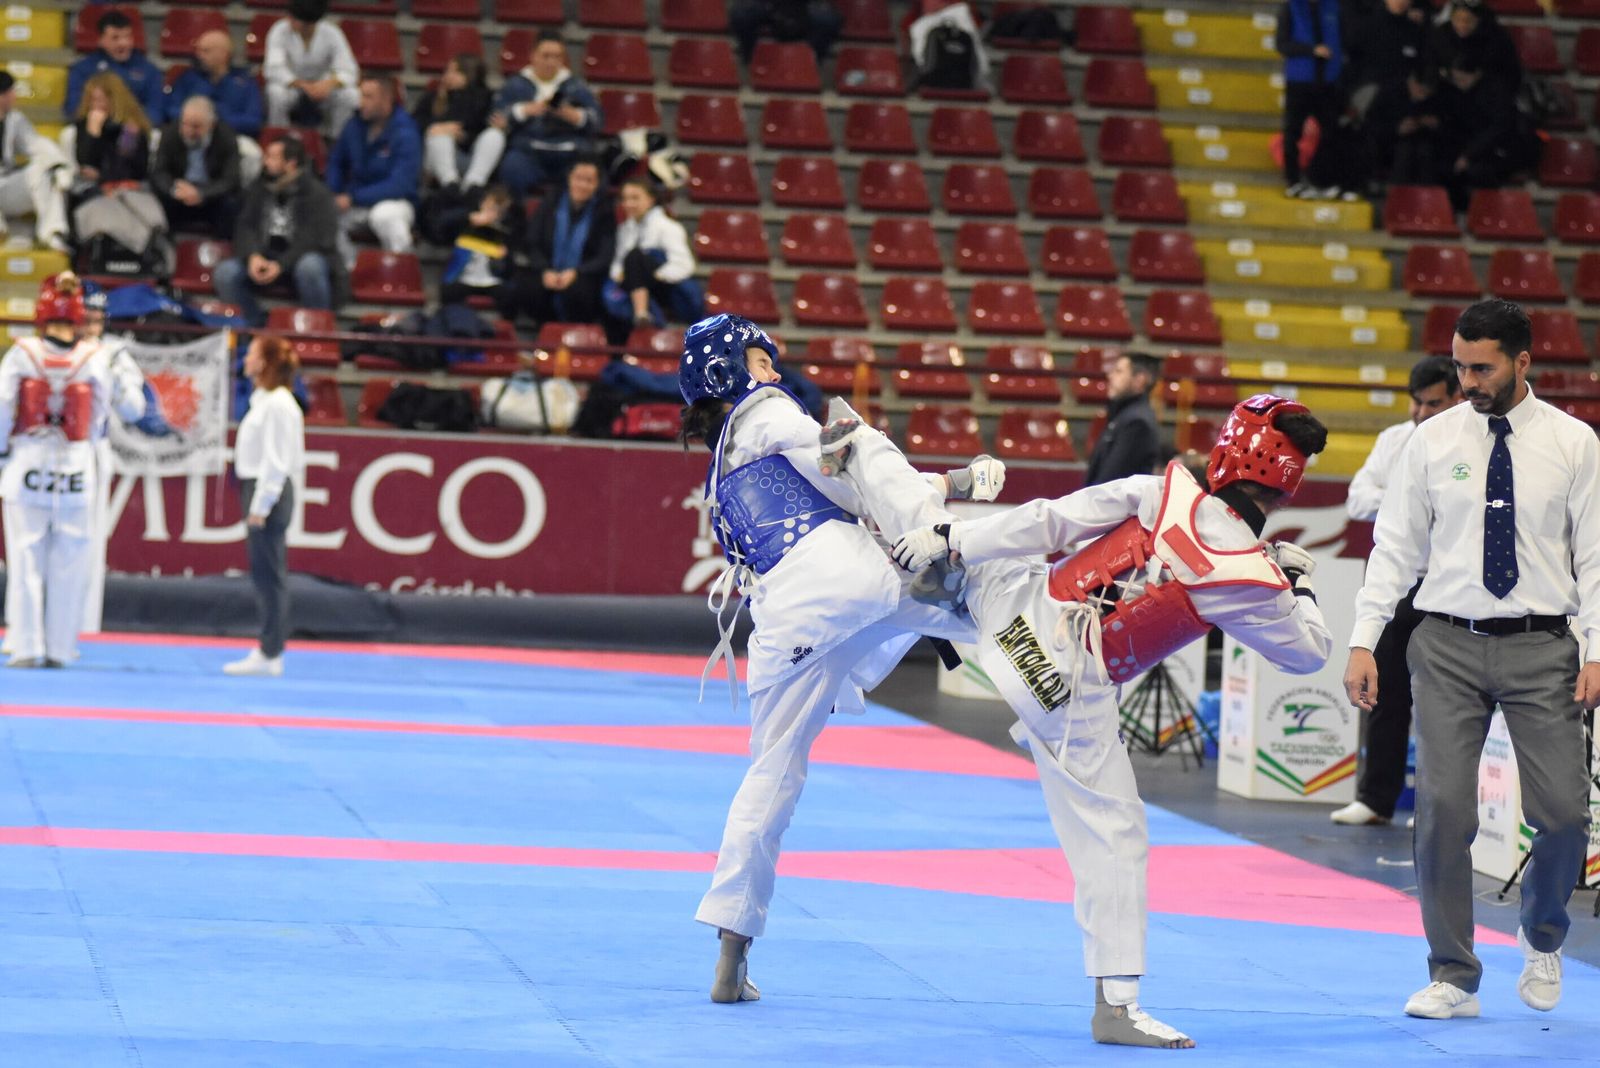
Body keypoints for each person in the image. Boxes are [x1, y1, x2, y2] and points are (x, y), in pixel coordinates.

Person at [883, 394, 1333, 1047]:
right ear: (1286, 489)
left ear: (1227, 451)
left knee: (939, 544)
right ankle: (1116, 1007)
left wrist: (952, 537)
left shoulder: (1160, 492)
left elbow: (1050, 520)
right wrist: (1300, 585)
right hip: (1066, 687)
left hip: (1015, 615)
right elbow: (1309, 653)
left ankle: (912, 524)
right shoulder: (1249, 577)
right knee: (1115, 835)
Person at [678, 314, 1003, 1010]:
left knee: (772, 775)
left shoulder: (724, 463)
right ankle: (1066, 609)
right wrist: (949, 491)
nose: (773, 371)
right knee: (995, 591)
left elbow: (835, 481)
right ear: (731, 370)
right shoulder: (767, 412)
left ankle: (732, 954)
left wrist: (946, 484)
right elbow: (847, 464)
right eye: (761, 359)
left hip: (783, 625)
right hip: (848, 574)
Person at [1344, 299, 1600, 1022]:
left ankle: (1543, 933)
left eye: (1481, 367)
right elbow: (1393, 546)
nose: (1467, 380)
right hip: (1445, 642)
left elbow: (1596, 553)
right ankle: (1452, 972)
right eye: (1459, 364)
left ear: (1523, 362)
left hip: (1543, 646)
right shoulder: (1428, 443)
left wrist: (1598, 649)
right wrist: (1365, 638)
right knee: (1443, 811)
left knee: (1562, 814)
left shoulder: (1575, 443)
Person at [1331, 356, 1462, 827]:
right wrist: (1407, 499)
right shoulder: (1393, 441)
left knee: (1447, 701)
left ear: (1457, 397)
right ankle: (1376, 798)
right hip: (1399, 584)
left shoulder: (1473, 440)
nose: (1423, 412)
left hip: (1451, 587)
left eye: (1435, 402)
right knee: (1383, 692)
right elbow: (1357, 498)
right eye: (1418, 403)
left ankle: (1437, 807)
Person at [0, 273, 142, 668]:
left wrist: (1, 450)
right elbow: (98, 415)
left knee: (26, 556)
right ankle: (61, 646)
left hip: (30, 459)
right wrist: (82, 441)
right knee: (71, 557)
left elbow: (2, 407)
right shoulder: (96, 358)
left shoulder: (21, 353)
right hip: (77, 464)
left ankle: (27, 644)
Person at [225, 334, 305, 679]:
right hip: (258, 488)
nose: (245, 359)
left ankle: (271, 650)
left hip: (267, 491)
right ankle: (268, 646)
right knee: (264, 573)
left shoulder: (278, 404)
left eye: (252, 354)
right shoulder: (264, 400)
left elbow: (277, 460)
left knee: (270, 574)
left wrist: (261, 505)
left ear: (266, 363)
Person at [214, 136, 343, 327]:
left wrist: (282, 264)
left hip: (300, 259)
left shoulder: (318, 194)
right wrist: (252, 256)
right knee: (225, 273)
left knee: (310, 267)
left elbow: (314, 238)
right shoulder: (259, 188)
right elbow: (245, 225)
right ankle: (252, 329)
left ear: (290, 164)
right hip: (265, 257)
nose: (265, 162)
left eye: (272, 157)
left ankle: (318, 329)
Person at [477, 33, 603, 196]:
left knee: (591, 170)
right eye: (546, 56)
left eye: (557, 57)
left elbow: (598, 120)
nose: (551, 62)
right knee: (512, 166)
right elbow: (494, 118)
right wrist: (523, 110)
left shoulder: (576, 87)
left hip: (570, 152)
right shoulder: (515, 85)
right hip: (528, 151)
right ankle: (517, 217)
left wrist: (575, 116)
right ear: (533, 56)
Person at [508, 156, 615, 327]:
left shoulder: (604, 212)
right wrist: (545, 270)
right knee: (527, 288)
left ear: (597, 185)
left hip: (583, 274)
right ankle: (540, 333)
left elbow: (604, 255)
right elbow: (532, 241)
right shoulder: (551, 203)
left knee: (580, 293)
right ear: (569, 178)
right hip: (547, 269)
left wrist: (576, 272)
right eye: (578, 178)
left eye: (589, 181)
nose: (582, 185)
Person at [327, 75, 421, 265]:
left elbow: (400, 184)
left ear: (386, 99)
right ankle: (350, 269)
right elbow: (336, 161)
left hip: (394, 202)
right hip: (355, 202)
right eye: (361, 96)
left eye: (368, 97)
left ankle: (400, 271)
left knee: (385, 216)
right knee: (324, 215)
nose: (362, 102)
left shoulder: (406, 132)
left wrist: (354, 197)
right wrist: (333, 192)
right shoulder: (354, 125)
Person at [604, 177, 702, 342]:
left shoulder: (668, 226)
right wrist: (620, 274)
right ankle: (640, 317)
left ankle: (642, 314)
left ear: (651, 199)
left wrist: (654, 274)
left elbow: (684, 265)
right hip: (634, 284)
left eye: (635, 198)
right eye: (625, 199)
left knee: (636, 257)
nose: (629, 204)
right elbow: (617, 265)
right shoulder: (624, 229)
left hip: (666, 289)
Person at [1276, 0, 1344, 199]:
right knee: (1293, 132)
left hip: (1328, 81)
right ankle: (1293, 180)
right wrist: (1311, 50)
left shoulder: (1333, 7)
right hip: (1300, 80)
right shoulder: (1291, 8)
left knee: (1330, 132)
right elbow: (1282, 44)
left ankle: (1321, 180)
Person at [262, 0, 360, 135]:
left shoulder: (332, 33)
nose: (289, 20)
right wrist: (303, 85)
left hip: (323, 87)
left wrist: (329, 84)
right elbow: (273, 69)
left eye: (294, 18)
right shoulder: (279, 30)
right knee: (275, 92)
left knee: (350, 95)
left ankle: (336, 138)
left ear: (309, 22)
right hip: (293, 86)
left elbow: (349, 70)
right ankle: (279, 137)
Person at [150, 96, 242, 237]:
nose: (188, 131)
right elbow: (159, 171)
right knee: (155, 196)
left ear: (211, 125)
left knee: (232, 203)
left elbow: (230, 179)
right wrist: (174, 190)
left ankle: (222, 249)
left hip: (211, 195)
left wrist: (202, 193)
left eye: (196, 126)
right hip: (179, 193)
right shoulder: (170, 133)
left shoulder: (226, 137)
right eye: (184, 124)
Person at [0, 69, 70, 252]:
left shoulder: (14, 119)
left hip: (6, 186)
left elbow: (37, 144)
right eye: (10, 92)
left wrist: (59, 166)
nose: (14, 96)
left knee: (42, 171)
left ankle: (51, 233)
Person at [163, 29, 264, 139]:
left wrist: (216, 122)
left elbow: (253, 121)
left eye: (205, 51)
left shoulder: (245, 83)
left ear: (223, 54)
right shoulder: (188, 78)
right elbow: (172, 110)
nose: (199, 55)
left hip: (234, 136)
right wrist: (196, 120)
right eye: (198, 51)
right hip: (191, 136)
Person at [413, 53, 494, 191]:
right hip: (433, 158)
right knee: (440, 137)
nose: (448, 75)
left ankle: (474, 184)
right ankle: (450, 184)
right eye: (448, 70)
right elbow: (415, 122)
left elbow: (481, 127)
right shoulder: (432, 97)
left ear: (471, 74)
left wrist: (464, 136)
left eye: (456, 72)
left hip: (468, 156)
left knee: (494, 135)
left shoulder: (484, 98)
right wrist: (437, 127)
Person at [65, 9, 163, 121]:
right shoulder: (83, 69)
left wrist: (130, 123)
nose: (123, 43)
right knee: (69, 133)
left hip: (133, 130)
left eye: (127, 37)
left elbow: (155, 110)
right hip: (96, 126)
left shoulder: (148, 70)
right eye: (115, 38)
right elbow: (74, 107)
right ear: (101, 40)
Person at [1085, 352, 1161, 486]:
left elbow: (1110, 482)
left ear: (1139, 380)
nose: (1110, 376)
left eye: (1119, 371)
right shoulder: (1124, 415)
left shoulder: (1137, 423)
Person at [438, 184, 515, 314]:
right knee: (449, 291)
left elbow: (509, 271)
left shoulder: (506, 233)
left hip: (491, 281)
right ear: (482, 204)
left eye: (498, 211)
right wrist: (467, 217)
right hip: (464, 279)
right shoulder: (464, 223)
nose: (492, 213)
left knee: (509, 295)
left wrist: (504, 257)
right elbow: (441, 223)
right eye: (490, 208)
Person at [729, 0, 844, 64]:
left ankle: (809, 62)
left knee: (829, 19)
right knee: (741, 14)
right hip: (766, 3)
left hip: (805, 4)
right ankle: (753, 59)